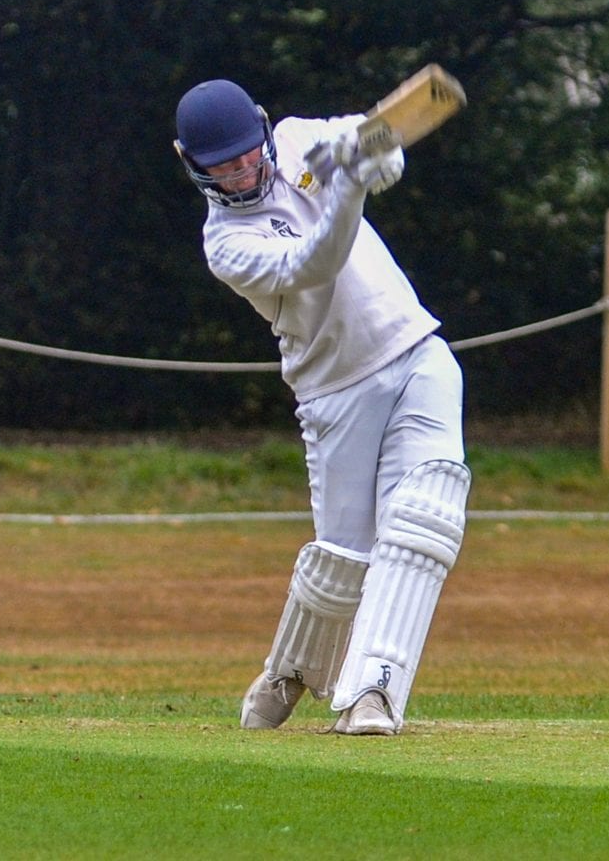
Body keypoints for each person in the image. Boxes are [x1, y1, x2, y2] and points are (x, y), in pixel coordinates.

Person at [174, 79, 470, 735]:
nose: (243, 170)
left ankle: (373, 694)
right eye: (223, 165)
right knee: (344, 557)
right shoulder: (225, 243)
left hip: (418, 351)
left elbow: (385, 148)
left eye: (248, 154)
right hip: (336, 392)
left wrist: (366, 158)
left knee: (424, 522)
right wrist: (350, 187)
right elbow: (317, 261)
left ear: (262, 129)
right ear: (192, 166)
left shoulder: (298, 137)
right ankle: (292, 671)